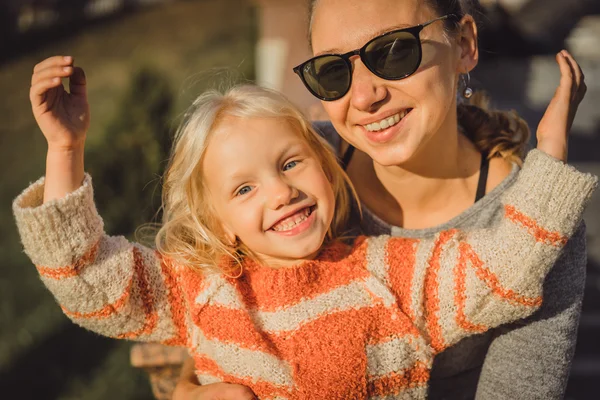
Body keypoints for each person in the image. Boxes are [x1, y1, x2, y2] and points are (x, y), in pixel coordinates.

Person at [15, 54, 595, 399]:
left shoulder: (386, 274)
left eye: (290, 163)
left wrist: (546, 159)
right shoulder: (202, 288)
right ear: (219, 221)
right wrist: (66, 148)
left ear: (324, 164)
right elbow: (87, 278)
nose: (281, 192)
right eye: (243, 189)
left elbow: (499, 272)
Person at [174, 1, 591, 399]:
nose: (363, 97)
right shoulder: (294, 173)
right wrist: (189, 384)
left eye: (394, 51)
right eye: (333, 70)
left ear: (463, 46)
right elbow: (217, 278)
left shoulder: (542, 228)